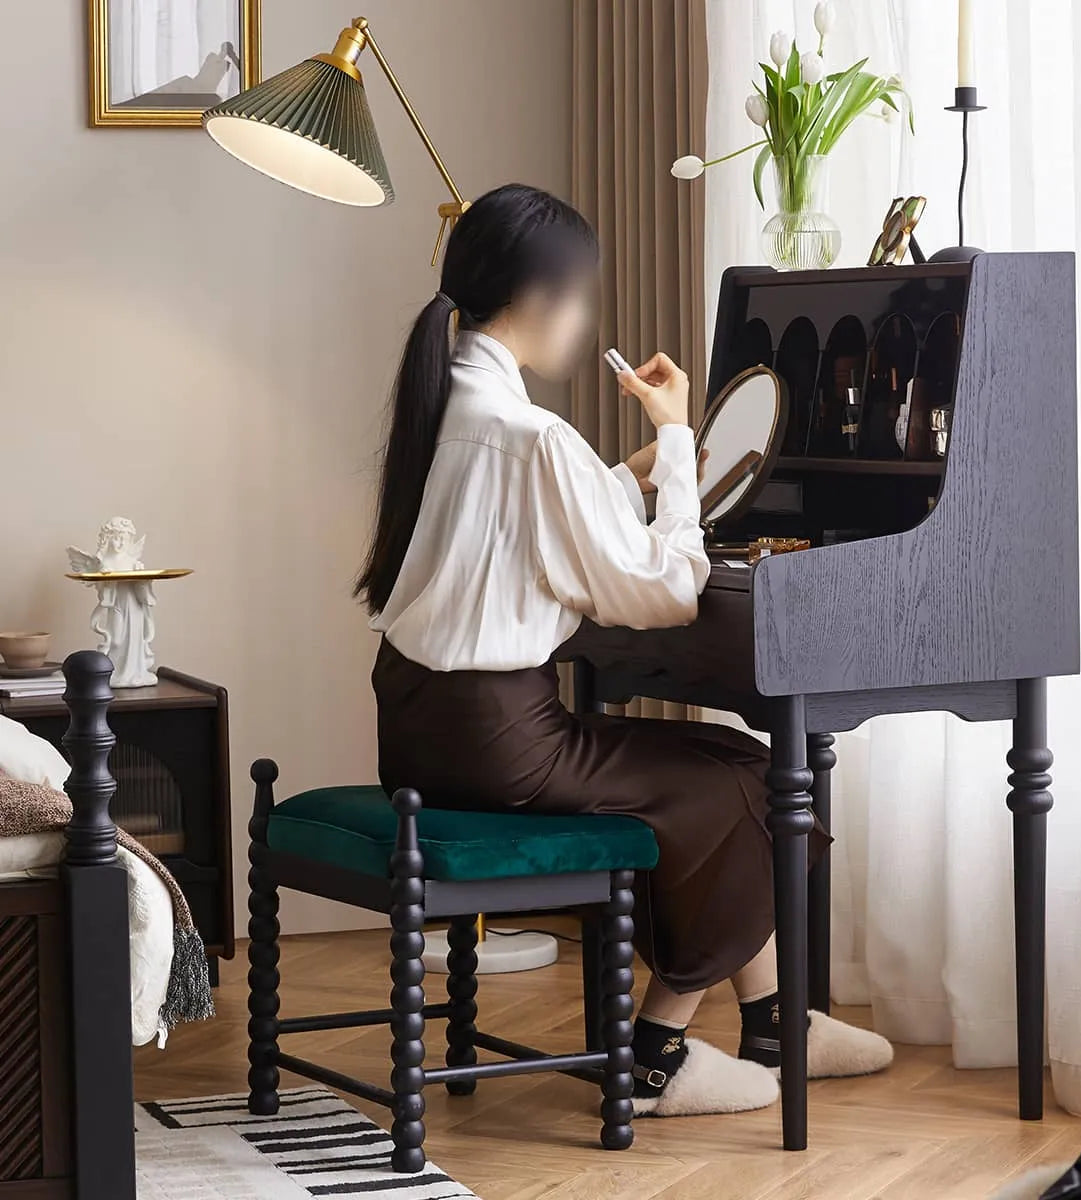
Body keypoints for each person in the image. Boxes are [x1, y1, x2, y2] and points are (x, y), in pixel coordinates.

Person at [360, 183, 892, 1117]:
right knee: (753, 782)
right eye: (581, 295)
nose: (584, 318)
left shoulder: (456, 408)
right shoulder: (530, 434)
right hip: (501, 747)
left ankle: (774, 1022)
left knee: (727, 769)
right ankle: (658, 1055)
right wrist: (679, 440)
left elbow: (534, 517)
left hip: (418, 727)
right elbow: (671, 589)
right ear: (540, 298)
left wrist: (627, 478)